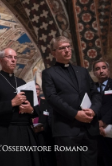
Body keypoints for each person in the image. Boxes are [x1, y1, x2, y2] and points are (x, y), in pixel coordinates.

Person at [42, 36, 101, 166]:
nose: (67, 50)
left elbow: (95, 93)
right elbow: (52, 98)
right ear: (53, 52)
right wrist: (75, 114)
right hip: (66, 129)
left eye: (68, 47)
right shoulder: (49, 73)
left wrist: (93, 110)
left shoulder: (83, 71)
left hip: (89, 127)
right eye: (62, 48)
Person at [0, 48, 40, 166]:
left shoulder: (21, 82)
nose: (13, 60)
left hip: (25, 131)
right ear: (0, 60)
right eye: (9, 57)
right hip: (6, 132)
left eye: (15, 57)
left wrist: (30, 110)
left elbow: (35, 109)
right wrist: (11, 103)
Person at [92, 60, 112, 166]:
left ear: (108, 70)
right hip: (97, 130)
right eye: (97, 69)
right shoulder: (92, 89)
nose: (101, 71)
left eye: (104, 67)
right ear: (94, 73)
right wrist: (97, 124)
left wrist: (104, 122)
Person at [33, 83, 56, 166]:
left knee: (46, 157)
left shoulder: (46, 102)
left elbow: (51, 118)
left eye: (38, 89)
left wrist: (43, 128)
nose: (36, 91)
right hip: (32, 134)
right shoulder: (28, 103)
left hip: (44, 134)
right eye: (34, 89)